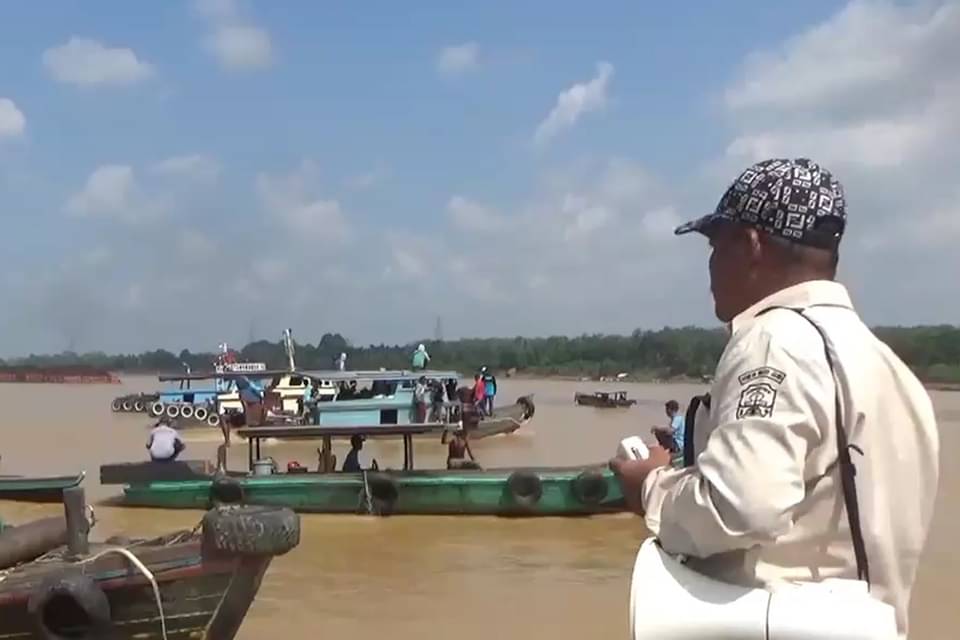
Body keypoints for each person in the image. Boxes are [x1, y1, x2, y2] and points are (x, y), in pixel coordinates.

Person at [609, 157, 939, 639]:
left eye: (714, 245)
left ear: (751, 245)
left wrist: (651, 486)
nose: (709, 265)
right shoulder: (890, 368)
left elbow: (739, 505)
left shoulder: (774, 339)